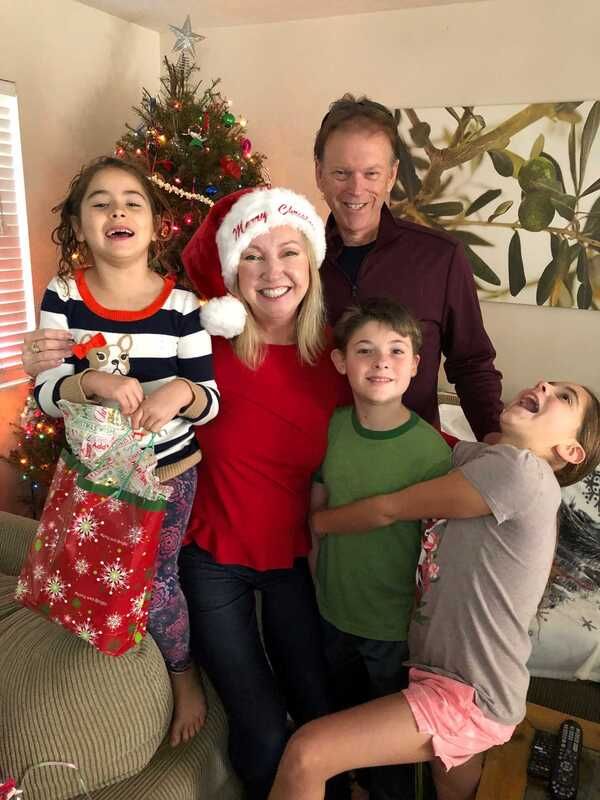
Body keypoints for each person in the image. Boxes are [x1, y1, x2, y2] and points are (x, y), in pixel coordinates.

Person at [268, 380, 600, 800]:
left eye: (565, 397)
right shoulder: (488, 458)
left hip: (467, 693)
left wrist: (318, 523)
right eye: (549, 382)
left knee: (306, 753)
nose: (546, 385)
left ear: (570, 452)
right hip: (467, 682)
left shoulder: (522, 473)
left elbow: (393, 507)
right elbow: (424, 442)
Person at [30, 156, 220, 747]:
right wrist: (93, 384)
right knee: (91, 571)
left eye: (133, 201)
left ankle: (183, 674)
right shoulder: (63, 296)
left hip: (168, 472)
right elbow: (46, 392)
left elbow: (210, 400)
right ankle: (106, 671)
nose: (118, 210)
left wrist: (182, 393)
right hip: (91, 473)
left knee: (157, 579)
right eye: (101, 202)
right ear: (81, 226)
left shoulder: (184, 309)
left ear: (155, 224)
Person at [176, 186, 350, 800]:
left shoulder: (341, 360)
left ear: (311, 263)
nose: (273, 272)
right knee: (261, 729)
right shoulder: (198, 347)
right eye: (252, 256)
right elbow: (115, 354)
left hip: (296, 564)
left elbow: (392, 438)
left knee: (318, 708)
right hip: (211, 561)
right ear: (231, 273)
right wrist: (58, 361)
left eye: (288, 253)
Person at [313, 298, 452, 800]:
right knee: (341, 726)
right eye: (365, 350)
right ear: (340, 362)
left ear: (416, 364)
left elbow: (441, 547)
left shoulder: (432, 452)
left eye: (396, 351)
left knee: (389, 754)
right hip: (331, 613)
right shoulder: (329, 430)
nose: (381, 362)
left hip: (393, 628)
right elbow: (317, 509)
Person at [315, 94, 503, 442]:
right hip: (315, 459)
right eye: (341, 173)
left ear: (391, 175)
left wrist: (497, 443)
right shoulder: (295, 262)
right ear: (320, 174)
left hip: (414, 466)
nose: (356, 189)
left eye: (371, 173)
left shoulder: (441, 257)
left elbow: (472, 364)